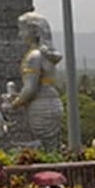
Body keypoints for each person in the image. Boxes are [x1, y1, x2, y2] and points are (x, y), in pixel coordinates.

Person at [11, 12, 64, 151]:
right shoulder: (45, 54)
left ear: (34, 31)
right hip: (53, 102)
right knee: (52, 146)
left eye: (22, 30)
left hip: (40, 105)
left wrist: (14, 103)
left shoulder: (34, 56)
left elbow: (30, 89)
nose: (20, 35)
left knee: (43, 146)